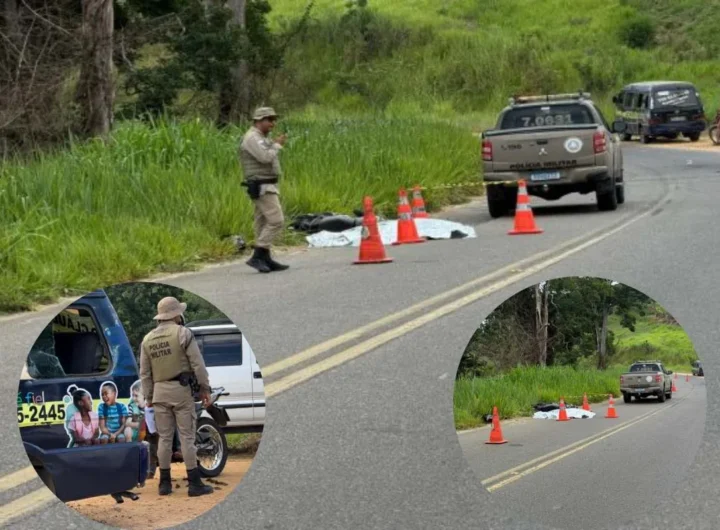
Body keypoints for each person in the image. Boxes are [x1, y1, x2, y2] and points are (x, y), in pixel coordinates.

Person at [139, 296, 214, 497]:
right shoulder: (183, 333)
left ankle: (164, 484)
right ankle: (195, 483)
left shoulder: (147, 339)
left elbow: (145, 374)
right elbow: (198, 364)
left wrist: (149, 398)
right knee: (187, 437)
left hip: (159, 393)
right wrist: (205, 388)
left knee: (164, 438)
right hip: (180, 391)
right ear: (176, 315)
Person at [239, 106, 290, 273]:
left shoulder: (260, 138)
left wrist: (272, 144)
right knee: (276, 221)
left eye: (274, 120)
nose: (272, 124)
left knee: (262, 222)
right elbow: (265, 157)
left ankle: (265, 258)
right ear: (259, 120)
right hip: (262, 185)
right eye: (269, 120)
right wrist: (277, 145)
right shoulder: (252, 138)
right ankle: (258, 255)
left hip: (266, 184)